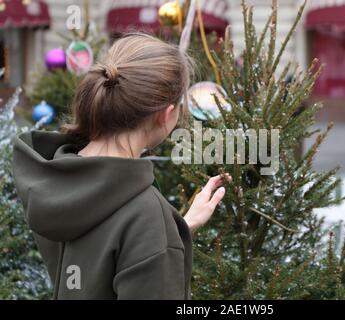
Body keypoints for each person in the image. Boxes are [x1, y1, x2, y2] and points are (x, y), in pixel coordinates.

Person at [12, 33, 228, 299]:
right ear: (166, 114)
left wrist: (174, 230)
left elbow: (91, 266)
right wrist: (159, 236)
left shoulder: (59, 179)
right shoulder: (146, 215)